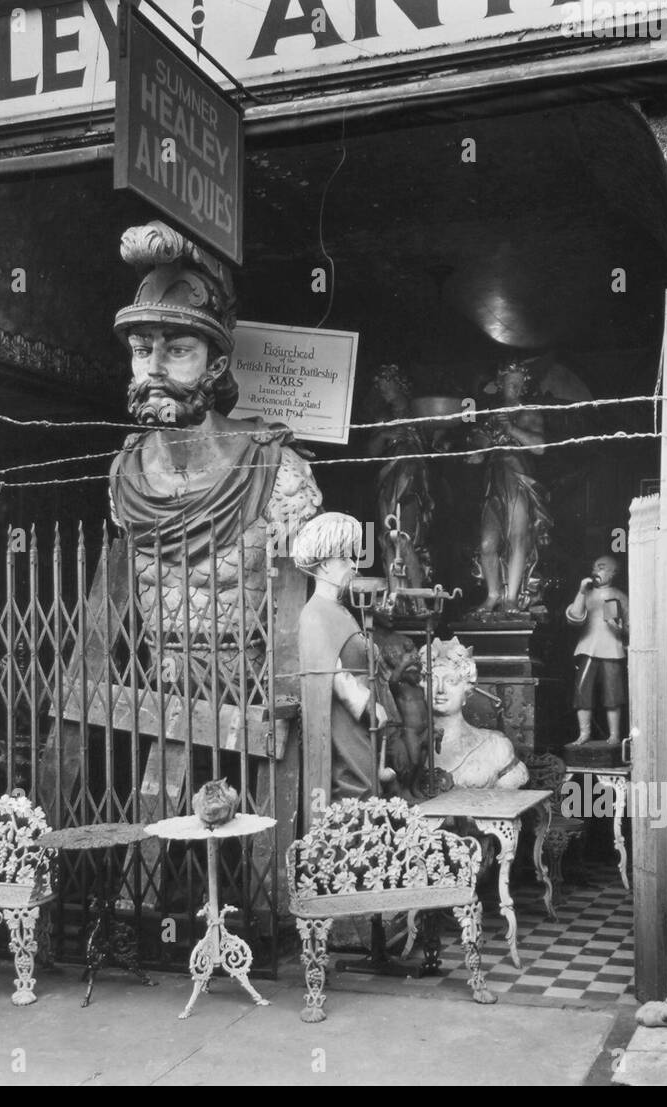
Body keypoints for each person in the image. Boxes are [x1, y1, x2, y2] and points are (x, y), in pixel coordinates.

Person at [105, 221, 322, 702]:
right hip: (159, 703)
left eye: (178, 350)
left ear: (216, 366)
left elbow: (301, 601)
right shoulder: (126, 474)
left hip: (257, 704)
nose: (154, 369)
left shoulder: (275, 469)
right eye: (142, 351)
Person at [295, 512, 389, 812]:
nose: (353, 563)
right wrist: (367, 706)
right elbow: (332, 674)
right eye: (345, 557)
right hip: (343, 728)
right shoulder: (315, 614)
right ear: (323, 564)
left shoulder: (339, 610)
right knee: (353, 795)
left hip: (360, 728)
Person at [466, 361, 553, 617]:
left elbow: (540, 447)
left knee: (518, 538)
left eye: (520, 383)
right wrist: (477, 450)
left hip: (519, 479)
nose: (516, 386)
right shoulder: (490, 415)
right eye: (511, 381)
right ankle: (493, 594)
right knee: (486, 544)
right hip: (494, 482)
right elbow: (478, 453)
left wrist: (511, 429)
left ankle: (511, 598)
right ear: (500, 383)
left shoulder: (529, 413)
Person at [364, 364, 434, 608]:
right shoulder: (383, 418)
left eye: (387, 385)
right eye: (380, 388)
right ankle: (395, 598)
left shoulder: (420, 411)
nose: (383, 391)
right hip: (388, 479)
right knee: (386, 540)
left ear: (399, 384)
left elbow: (436, 441)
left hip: (413, 478)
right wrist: (384, 434)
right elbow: (371, 453)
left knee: (405, 538)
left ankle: (419, 602)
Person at [423, 636, 527, 791]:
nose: (440, 690)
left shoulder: (495, 746)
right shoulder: (405, 747)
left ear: (468, 690)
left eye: (451, 681)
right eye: (432, 681)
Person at [565, 554, 629, 745]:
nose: (595, 572)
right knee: (582, 692)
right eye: (594, 568)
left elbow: (630, 626)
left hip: (612, 650)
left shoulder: (619, 596)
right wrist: (581, 592)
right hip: (588, 648)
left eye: (601, 567)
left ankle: (614, 735)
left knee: (613, 693)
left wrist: (617, 627)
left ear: (613, 572)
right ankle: (584, 734)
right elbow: (574, 617)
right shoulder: (587, 594)